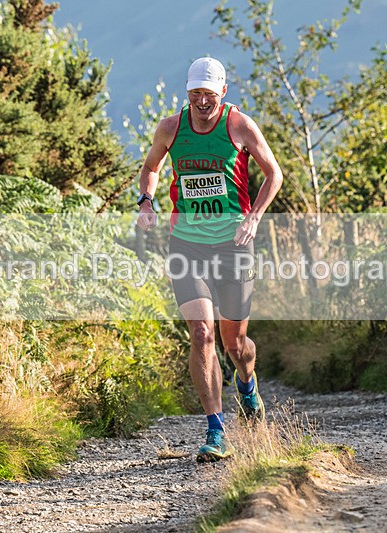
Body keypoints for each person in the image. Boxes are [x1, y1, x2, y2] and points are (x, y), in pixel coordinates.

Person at [136, 57, 282, 462]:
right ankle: (216, 430)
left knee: (235, 342)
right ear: (187, 94)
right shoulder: (171, 126)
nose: (202, 102)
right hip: (187, 243)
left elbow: (274, 174)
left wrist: (254, 218)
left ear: (223, 94)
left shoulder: (239, 126)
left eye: (209, 95)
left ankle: (247, 384)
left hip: (234, 242)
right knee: (202, 333)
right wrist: (146, 200)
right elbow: (150, 168)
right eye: (195, 94)